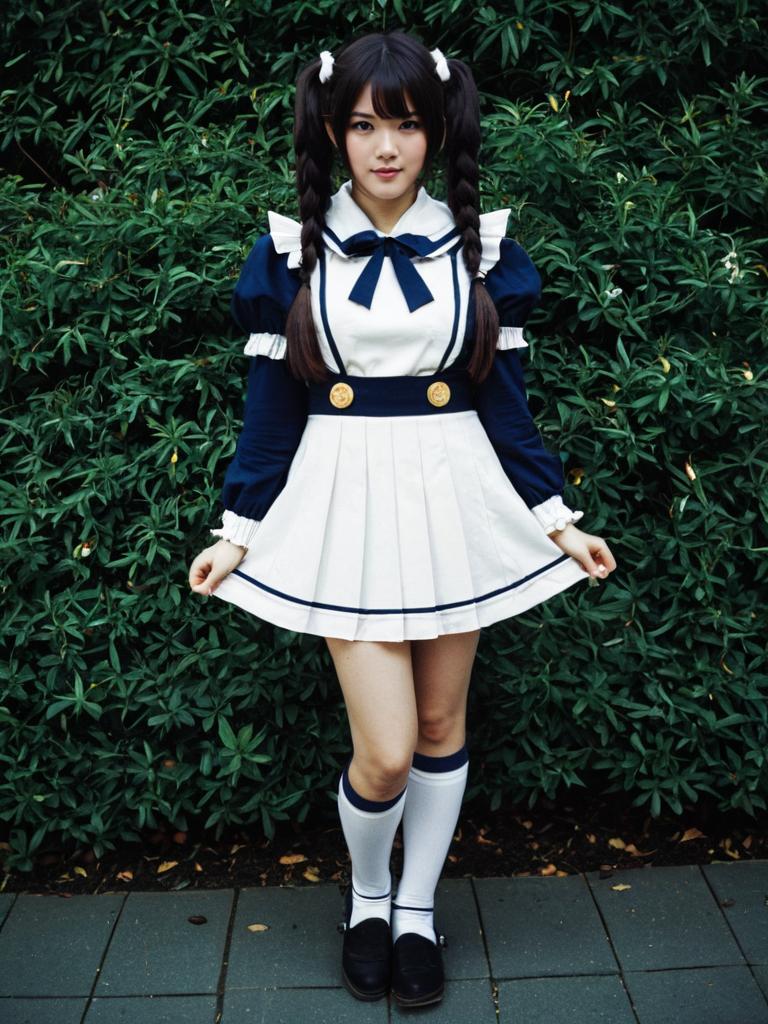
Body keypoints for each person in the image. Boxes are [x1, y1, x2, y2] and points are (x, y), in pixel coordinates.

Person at [188, 29, 616, 1009]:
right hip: (342, 495)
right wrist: (237, 529)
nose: (387, 147)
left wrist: (556, 518)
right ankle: (368, 895)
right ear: (335, 132)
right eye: (366, 124)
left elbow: (505, 403)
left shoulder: (484, 248)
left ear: (437, 134)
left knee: (437, 721)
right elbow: (270, 415)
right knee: (382, 747)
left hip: (451, 487)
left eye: (408, 125)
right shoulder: (290, 249)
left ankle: (415, 911)